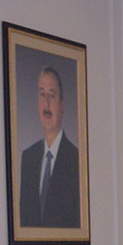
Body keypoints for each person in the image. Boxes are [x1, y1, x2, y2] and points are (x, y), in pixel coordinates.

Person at [16, 66, 82, 228]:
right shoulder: (28, 158)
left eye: (52, 96)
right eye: (42, 95)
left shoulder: (77, 160)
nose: (46, 104)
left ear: (62, 105)